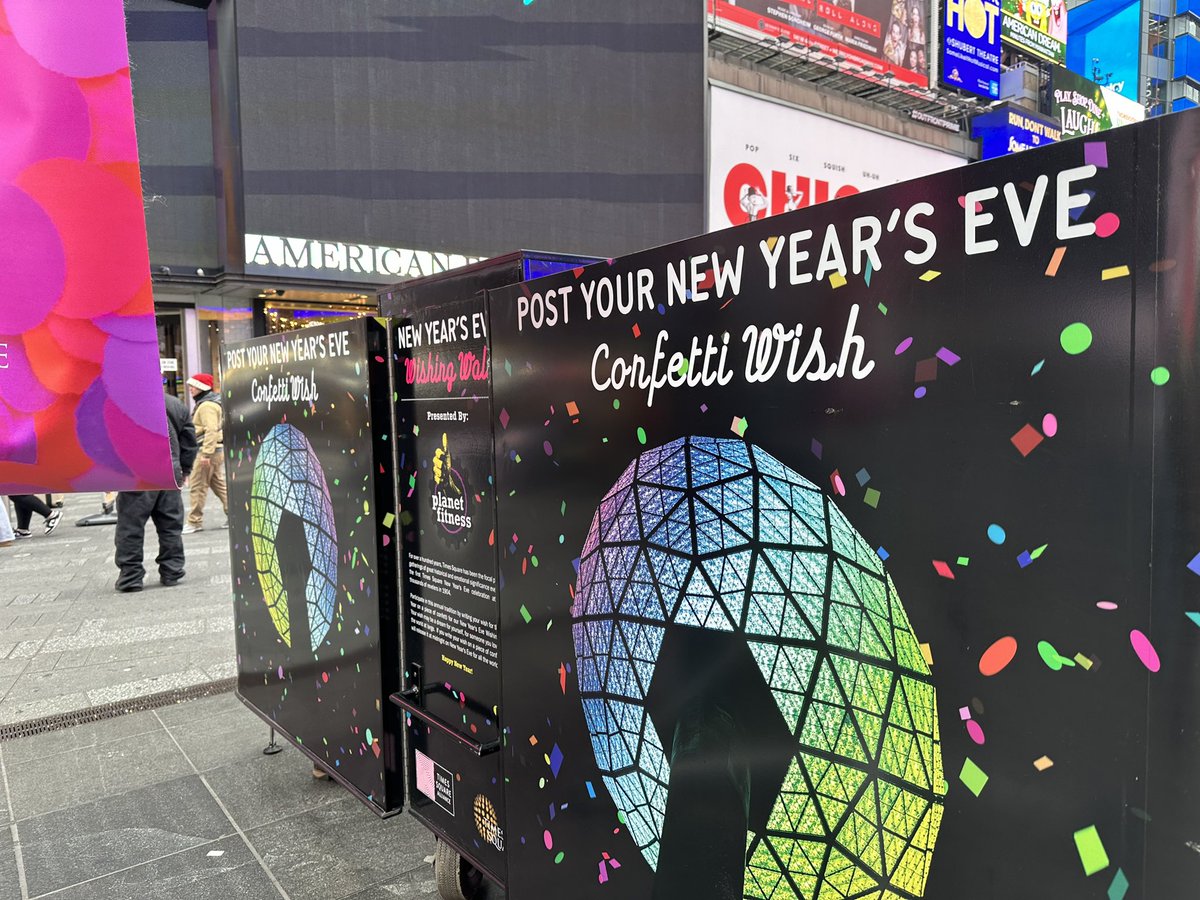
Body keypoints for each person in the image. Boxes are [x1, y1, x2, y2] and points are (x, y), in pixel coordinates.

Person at [114, 393, 197, 592]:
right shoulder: (175, 403)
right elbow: (189, 441)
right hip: (169, 471)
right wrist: (184, 469)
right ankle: (172, 570)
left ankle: (131, 576)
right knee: (170, 525)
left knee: (130, 526)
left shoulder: (126, 402)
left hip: (137, 473)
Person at [184, 373, 227, 533]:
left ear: (202, 387)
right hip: (214, 450)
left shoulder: (207, 406)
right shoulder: (208, 403)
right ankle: (234, 514)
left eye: (193, 386)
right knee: (218, 485)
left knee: (198, 486)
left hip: (207, 450)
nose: (190, 389)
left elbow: (211, 430)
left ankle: (194, 521)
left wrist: (206, 454)